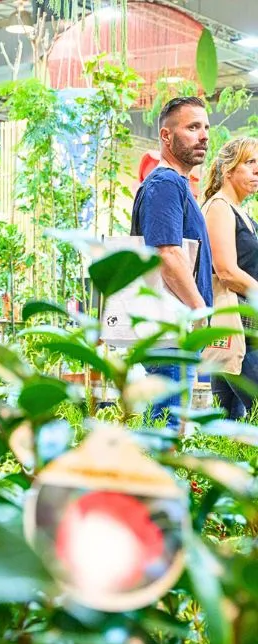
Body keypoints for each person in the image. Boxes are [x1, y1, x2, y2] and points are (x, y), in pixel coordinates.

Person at [132, 96, 214, 424]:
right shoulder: (165, 183)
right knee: (165, 427)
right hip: (169, 331)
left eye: (206, 127)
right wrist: (199, 311)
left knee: (169, 425)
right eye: (193, 127)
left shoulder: (177, 184)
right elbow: (166, 253)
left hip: (174, 330)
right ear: (166, 137)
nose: (204, 135)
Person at [200, 137, 258, 418]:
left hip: (248, 328)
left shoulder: (242, 213)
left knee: (229, 420)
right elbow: (226, 271)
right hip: (235, 328)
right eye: (250, 163)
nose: (257, 170)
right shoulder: (219, 207)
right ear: (228, 170)